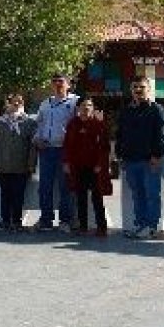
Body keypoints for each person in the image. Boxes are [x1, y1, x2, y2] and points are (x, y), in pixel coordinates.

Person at [116, 76, 164, 239]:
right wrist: (120, 155)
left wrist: (156, 155)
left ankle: (151, 227)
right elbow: (120, 135)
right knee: (137, 195)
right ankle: (140, 225)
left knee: (152, 195)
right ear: (131, 90)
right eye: (135, 87)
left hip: (149, 161)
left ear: (149, 89)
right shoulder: (126, 111)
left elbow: (163, 134)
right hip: (130, 161)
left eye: (142, 87)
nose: (138, 90)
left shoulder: (157, 109)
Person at [33, 72, 79, 231]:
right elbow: (39, 124)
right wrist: (37, 139)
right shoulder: (45, 103)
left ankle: (65, 221)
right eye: (54, 82)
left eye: (61, 81)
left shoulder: (75, 102)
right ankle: (46, 219)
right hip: (46, 151)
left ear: (68, 84)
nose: (58, 84)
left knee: (65, 187)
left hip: (64, 151)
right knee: (44, 187)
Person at [62, 98, 110, 237]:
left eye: (89, 105)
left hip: (95, 167)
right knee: (80, 197)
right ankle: (83, 226)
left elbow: (104, 147)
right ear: (78, 108)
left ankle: (102, 227)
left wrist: (100, 164)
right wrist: (66, 162)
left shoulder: (98, 124)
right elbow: (67, 145)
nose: (86, 108)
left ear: (93, 108)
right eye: (83, 105)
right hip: (77, 167)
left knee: (97, 198)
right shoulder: (72, 124)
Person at [0, 93, 36, 230]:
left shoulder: (29, 122)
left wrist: (31, 164)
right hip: (4, 165)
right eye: (13, 102)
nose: (16, 105)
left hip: (21, 165)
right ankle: (5, 220)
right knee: (5, 194)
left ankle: (16, 220)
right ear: (7, 104)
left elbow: (32, 146)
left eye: (19, 102)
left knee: (19, 195)